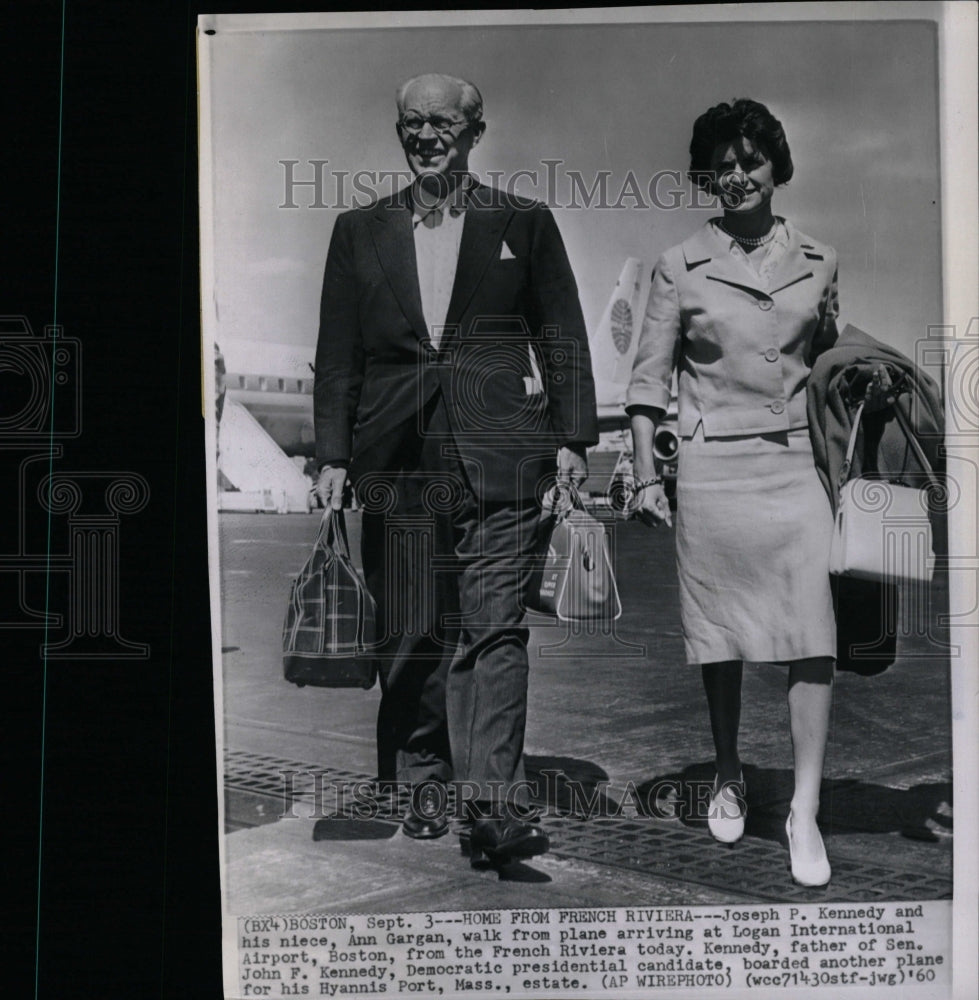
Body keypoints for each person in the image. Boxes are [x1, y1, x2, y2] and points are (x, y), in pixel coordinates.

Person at [314, 73, 598, 865]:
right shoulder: (357, 229)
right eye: (411, 123)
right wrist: (333, 453)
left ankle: (493, 805)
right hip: (395, 455)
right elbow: (336, 353)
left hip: (501, 453)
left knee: (494, 628)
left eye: (442, 122)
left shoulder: (523, 222)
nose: (425, 135)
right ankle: (422, 778)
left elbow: (561, 333)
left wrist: (574, 438)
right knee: (409, 629)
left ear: (475, 130)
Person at [627, 99, 838, 887]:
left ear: (774, 167)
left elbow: (827, 364)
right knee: (720, 635)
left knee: (812, 635)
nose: (737, 175)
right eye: (723, 163)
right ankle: (725, 770)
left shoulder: (821, 258)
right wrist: (647, 473)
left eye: (751, 161)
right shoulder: (677, 264)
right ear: (705, 175)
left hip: (795, 469)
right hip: (713, 471)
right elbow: (647, 384)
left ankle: (804, 810)